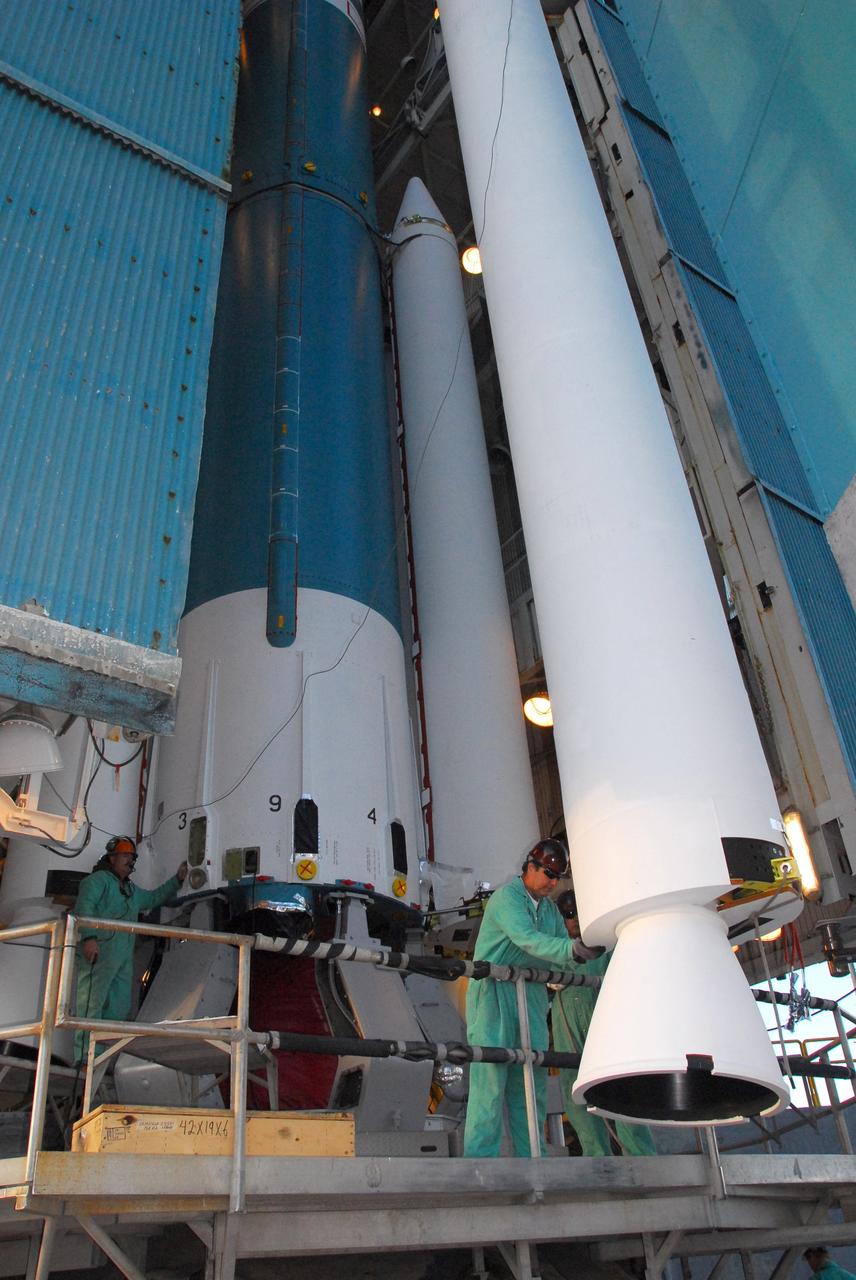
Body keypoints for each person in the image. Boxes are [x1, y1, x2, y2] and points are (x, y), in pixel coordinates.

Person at [464, 838, 589, 1158]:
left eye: (557, 878)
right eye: (549, 874)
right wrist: (572, 950)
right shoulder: (507, 899)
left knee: (531, 1087)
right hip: (493, 997)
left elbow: (561, 957)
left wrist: (589, 948)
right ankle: (479, 1168)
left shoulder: (549, 911)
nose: (553, 883)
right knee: (490, 1087)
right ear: (530, 867)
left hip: (530, 998)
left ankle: (534, 1162)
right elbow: (528, 939)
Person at [552, 889, 656, 1156]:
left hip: (604, 1020)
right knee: (574, 1089)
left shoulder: (605, 945)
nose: (574, 920)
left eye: (578, 913)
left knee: (621, 1087)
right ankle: (596, 1156)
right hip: (567, 1022)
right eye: (569, 914)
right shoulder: (556, 948)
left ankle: (641, 1156)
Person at [73, 836, 188, 1062]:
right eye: (125, 855)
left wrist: (177, 880)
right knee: (92, 1004)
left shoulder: (130, 890)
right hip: (100, 952)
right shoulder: (96, 882)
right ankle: (85, 1056)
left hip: (123, 957)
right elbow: (85, 908)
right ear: (111, 858)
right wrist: (89, 938)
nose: (130, 860)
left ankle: (105, 1055)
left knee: (119, 1006)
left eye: (132, 857)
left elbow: (153, 898)